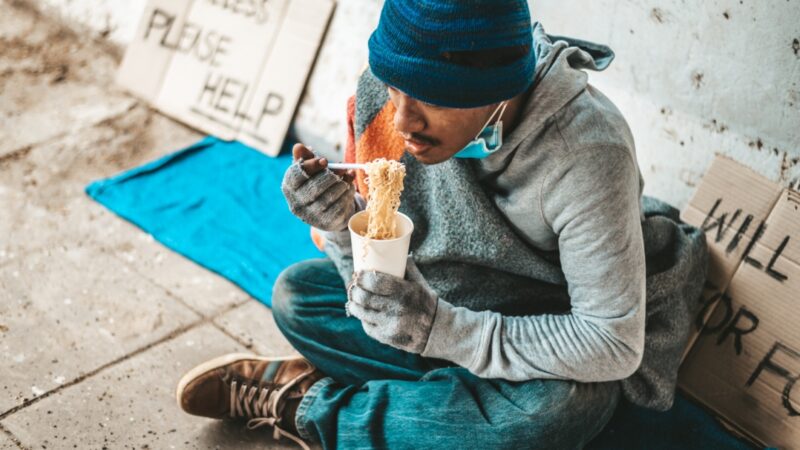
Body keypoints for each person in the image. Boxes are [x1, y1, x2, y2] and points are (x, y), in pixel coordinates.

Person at [175, 1, 709, 448]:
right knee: (297, 296)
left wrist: (443, 331)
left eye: (431, 95)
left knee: (550, 414)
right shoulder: (381, 100)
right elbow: (376, 266)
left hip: (548, 325)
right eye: (395, 87)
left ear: (501, 87)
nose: (403, 121)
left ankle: (308, 404)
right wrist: (343, 225)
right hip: (443, 298)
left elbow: (611, 342)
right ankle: (436, 409)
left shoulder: (588, 153)